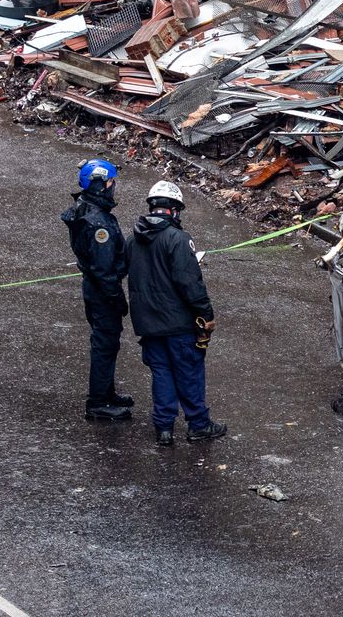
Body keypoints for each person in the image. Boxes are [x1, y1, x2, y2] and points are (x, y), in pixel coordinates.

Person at [125, 180, 227, 446]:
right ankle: (198, 424)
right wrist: (206, 314)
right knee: (189, 372)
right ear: (173, 210)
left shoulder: (132, 239)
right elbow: (189, 282)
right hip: (178, 324)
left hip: (148, 325)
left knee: (161, 373)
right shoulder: (178, 239)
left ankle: (164, 429)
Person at [61, 159, 132, 421]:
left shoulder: (88, 210)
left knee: (108, 344)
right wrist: (116, 298)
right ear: (101, 185)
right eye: (111, 182)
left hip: (96, 288)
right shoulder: (98, 224)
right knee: (104, 344)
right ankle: (98, 402)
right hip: (102, 292)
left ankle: (106, 391)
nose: (114, 187)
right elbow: (103, 270)